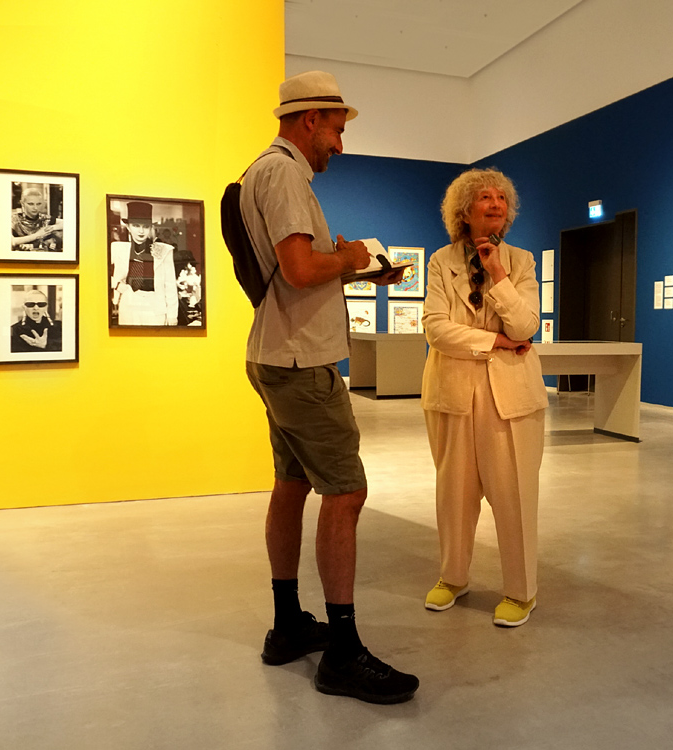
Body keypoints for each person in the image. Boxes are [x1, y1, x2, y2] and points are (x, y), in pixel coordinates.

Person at [240, 70, 417, 704]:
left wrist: (355, 269)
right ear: (310, 118)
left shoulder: (269, 171)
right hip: (301, 363)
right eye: (338, 130)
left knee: (292, 485)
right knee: (346, 492)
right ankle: (341, 651)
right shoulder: (285, 172)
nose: (340, 144)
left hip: (277, 353)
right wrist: (350, 258)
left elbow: (295, 275)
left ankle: (288, 624)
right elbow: (299, 267)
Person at [421, 168, 547, 627]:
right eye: (484, 198)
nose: (495, 205)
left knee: (514, 495)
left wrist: (497, 274)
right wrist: (492, 342)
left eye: (502, 199)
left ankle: (521, 590)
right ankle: (453, 576)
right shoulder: (440, 261)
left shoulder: (522, 262)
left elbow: (525, 327)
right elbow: (435, 328)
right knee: (453, 493)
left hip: (511, 397)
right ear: (464, 210)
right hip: (454, 393)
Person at [109, 201, 179, 326]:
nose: (141, 231)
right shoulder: (117, 249)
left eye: (145, 226)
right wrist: (116, 284)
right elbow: (96, 271)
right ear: (128, 227)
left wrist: (172, 315)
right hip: (129, 304)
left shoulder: (164, 251)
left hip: (155, 307)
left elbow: (170, 285)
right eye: (136, 225)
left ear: (150, 228)